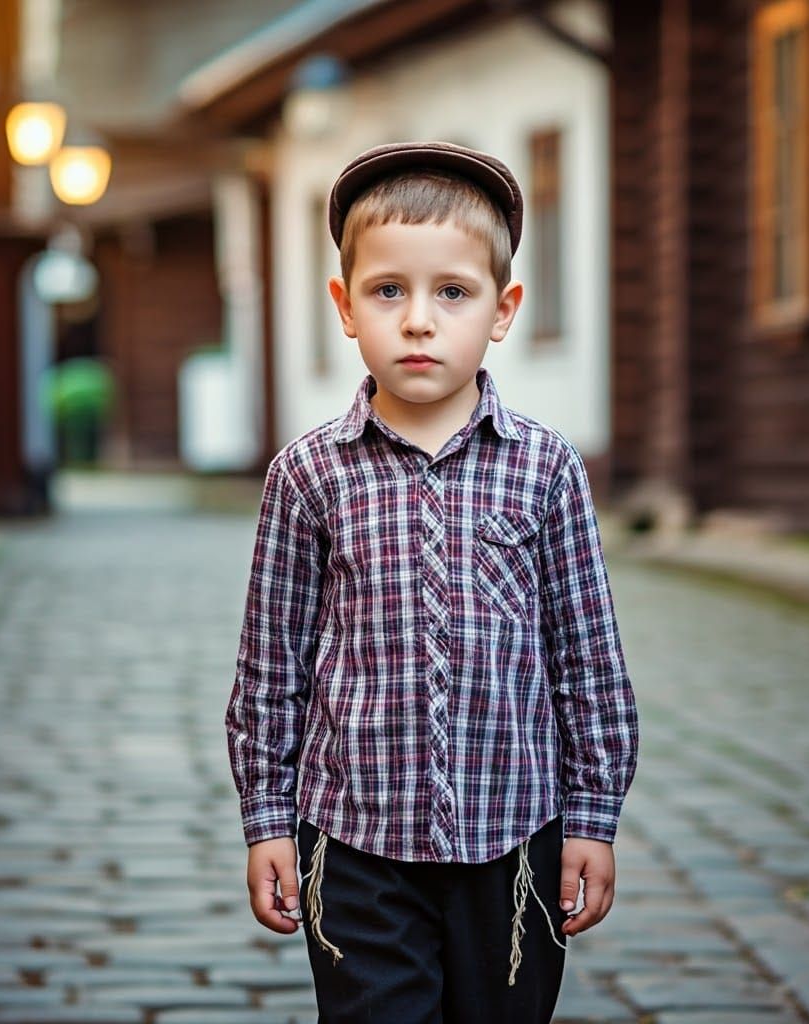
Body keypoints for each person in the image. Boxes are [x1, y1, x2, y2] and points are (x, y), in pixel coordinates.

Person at [225, 141, 640, 1024]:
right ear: (344, 306)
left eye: (452, 291)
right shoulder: (308, 477)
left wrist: (593, 817)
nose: (419, 320)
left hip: (515, 842)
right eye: (389, 291)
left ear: (502, 308)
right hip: (355, 842)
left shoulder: (545, 470)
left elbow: (589, 660)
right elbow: (272, 667)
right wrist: (267, 818)